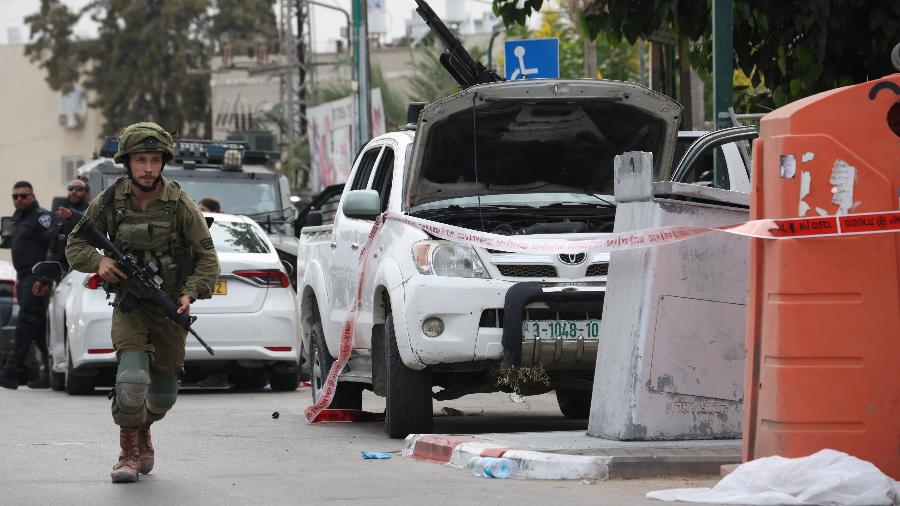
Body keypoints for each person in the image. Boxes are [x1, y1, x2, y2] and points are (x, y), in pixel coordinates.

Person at [66, 122, 220, 484]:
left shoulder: (179, 204)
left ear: (163, 162)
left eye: (154, 160)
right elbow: (75, 244)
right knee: (132, 380)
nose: (148, 168)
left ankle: (143, 428)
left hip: (168, 308)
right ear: (127, 163)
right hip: (130, 307)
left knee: (163, 396)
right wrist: (99, 262)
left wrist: (189, 292)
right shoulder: (109, 202)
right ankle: (128, 453)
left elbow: (208, 259)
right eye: (140, 160)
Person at [0, 182, 53, 390]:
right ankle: (48, 373)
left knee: (24, 323)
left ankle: (11, 373)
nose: (19, 200)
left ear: (32, 196)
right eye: (15, 196)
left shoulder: (42, 217)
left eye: (23, 196)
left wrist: (45, 278)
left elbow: (53, 246)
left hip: (36, 277)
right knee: (38, 328)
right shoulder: (17, 219)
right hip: (22, 278)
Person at [47, 179, 91, 272]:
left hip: (80, 265)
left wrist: (72, 217)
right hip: (58, 264)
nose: (74, 192)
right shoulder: (59, 210)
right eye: (71, 189)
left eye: (79, 189)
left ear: (87, 194)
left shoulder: (91, 211)